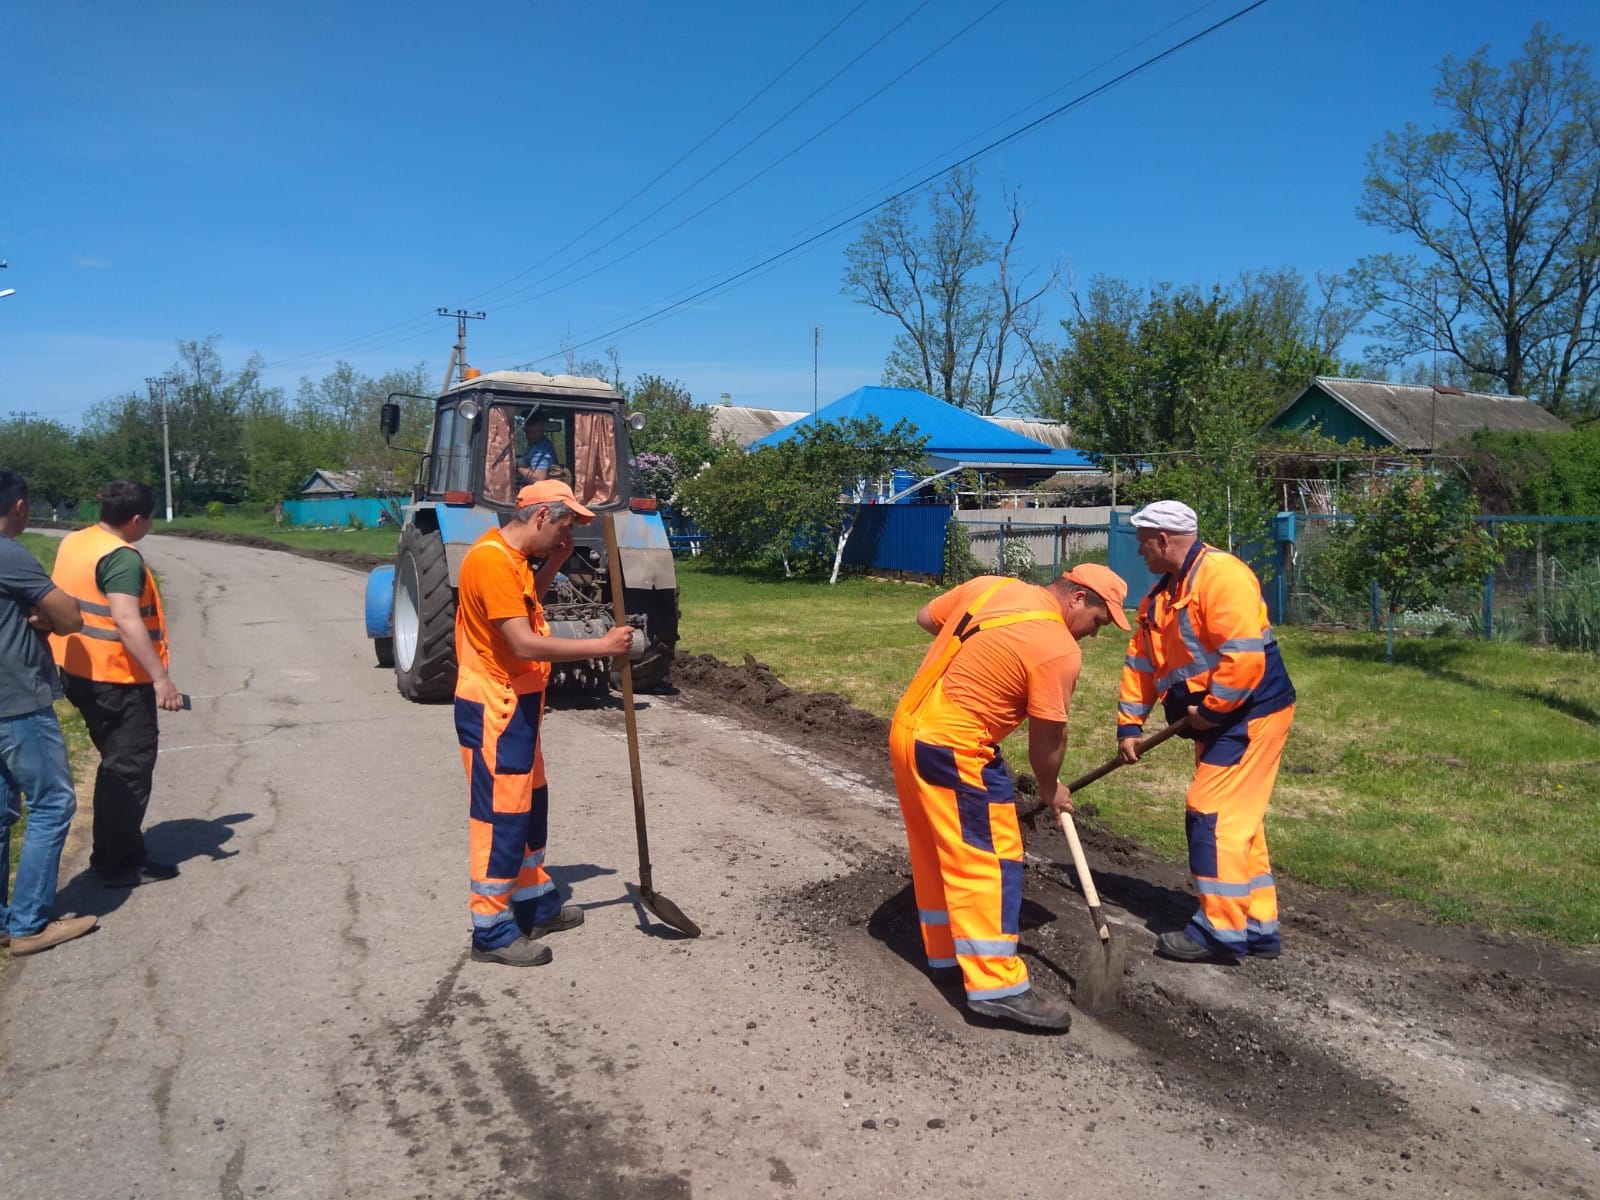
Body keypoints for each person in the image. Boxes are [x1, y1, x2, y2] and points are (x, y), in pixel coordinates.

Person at [889, 562, 1131, 1032]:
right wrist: (1050, 789)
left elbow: (927, 617)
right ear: (1078, 599)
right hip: (957, 748)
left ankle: (948, 958)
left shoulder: (989, 587)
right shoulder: (1057, 649)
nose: (1095, 635)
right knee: (990, 859)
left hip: (911, 731)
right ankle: (997, 986)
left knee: (939, 853)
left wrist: (984, 658)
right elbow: (1048, 740)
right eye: (1099, 622)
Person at [456, 479, 635, 967]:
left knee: (531, 809)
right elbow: (523, 642)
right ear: (539, 516)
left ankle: (534, 903)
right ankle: (490, 929)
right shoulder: (491, 560)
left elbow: (520, 606)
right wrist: (602, 646)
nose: (562, 537)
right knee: (500, 818)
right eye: (560, 526)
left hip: (521, 705)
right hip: (497, 706)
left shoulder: (512, 560)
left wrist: (555, 562)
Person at [1115, 500, 1296, 964]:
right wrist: (1130, 725)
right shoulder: (1161, 597)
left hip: (1249, 714)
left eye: (1143, 543)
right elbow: (1141, 664)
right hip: (1217, 719)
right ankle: (1257, 924)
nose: (1140, 552)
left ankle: (1220, 930)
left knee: (1210, 813)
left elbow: (1244, 660)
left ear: (1163, 540)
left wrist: (1211, 712)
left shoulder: (1222, 577)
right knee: (1239, 820)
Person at [51, 480, 185, 888]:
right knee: (128, 770)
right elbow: (126, 621)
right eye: (147, 520)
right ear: (136, 519)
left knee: (114, 765)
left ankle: (111, 853)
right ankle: (119, 865)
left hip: (77, 670)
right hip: (117, 679)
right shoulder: (121, 559)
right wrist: (161, 680)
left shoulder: (77, 541)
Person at [0, 472, 97, 955]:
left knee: (1, 813)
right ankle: (30, 925)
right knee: (53, 804)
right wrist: (43, 617)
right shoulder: (9, 553)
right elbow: (71, 617)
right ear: (19, 506)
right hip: (17, 700)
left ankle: (5, 919)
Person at [516, 414, 558, 483]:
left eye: (535, 432)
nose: (531, 436)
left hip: (544, 491)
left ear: (543, 430)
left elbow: (539, 479)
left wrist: (517, 468)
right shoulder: (532, 445)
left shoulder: (542, 448)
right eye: (528, 432)